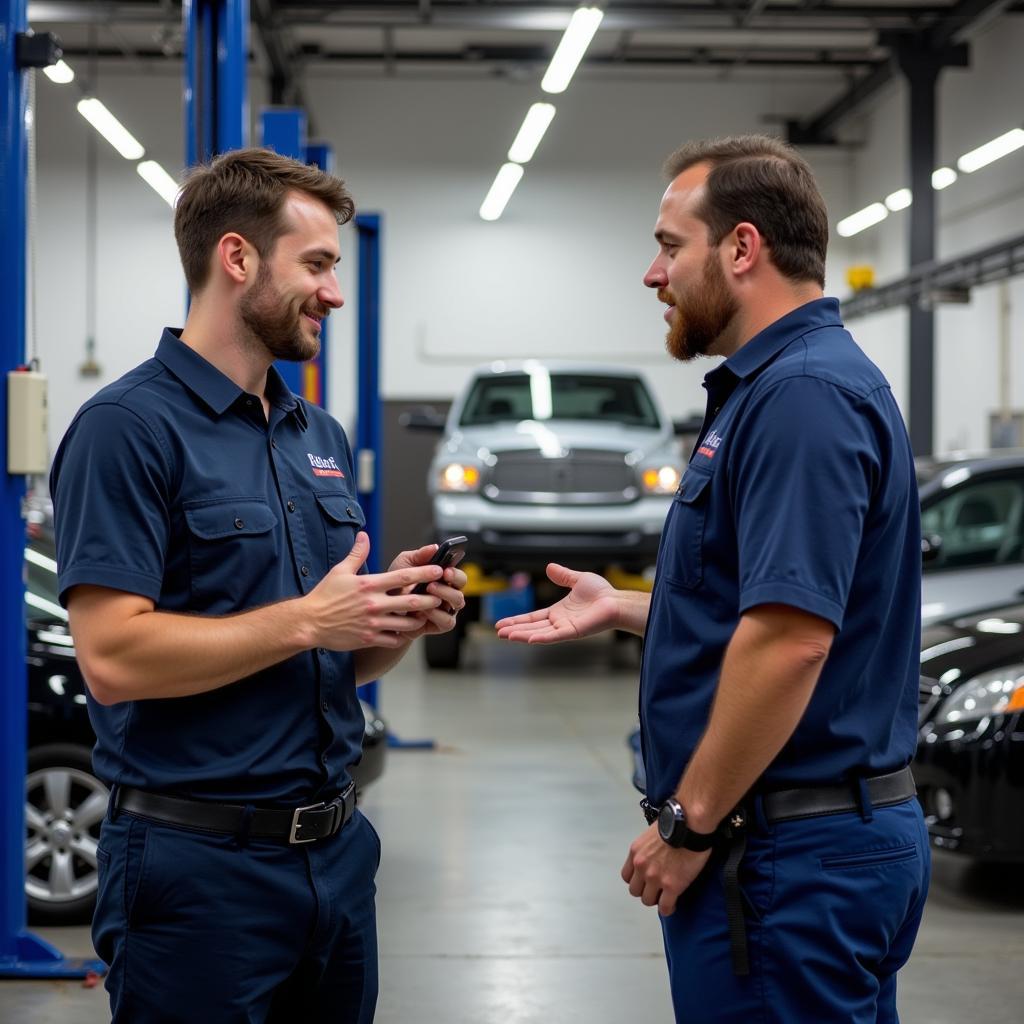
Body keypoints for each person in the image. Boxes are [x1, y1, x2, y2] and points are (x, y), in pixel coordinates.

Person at [497, 135, 928, 1023]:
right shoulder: (783, 388)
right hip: (809, 849)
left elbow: (790, 642)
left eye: (668, 245)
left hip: (785, 859)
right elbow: (774, 604)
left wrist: (688, 826)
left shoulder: (801, 397)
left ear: (741, 248)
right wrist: (627, 608)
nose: (653, 275)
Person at [50, 147, 466, 1023]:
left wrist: (388, 624)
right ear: (236, 258)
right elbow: (114, 658)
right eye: (316, 265)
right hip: (198, 872)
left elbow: (326, 658)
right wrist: (312, 621)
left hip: (336, 861)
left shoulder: (316, 431)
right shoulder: (126, 429)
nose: (335, 292)